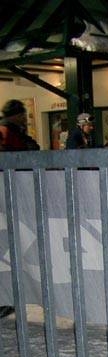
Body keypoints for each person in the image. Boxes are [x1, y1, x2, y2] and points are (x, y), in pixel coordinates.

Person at [0, 99, 40, 318]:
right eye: (21, 114)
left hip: (13, 197)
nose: (24, 118)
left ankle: (8, 296)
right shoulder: (6, 132)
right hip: (8, 196)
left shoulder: (14, 131)